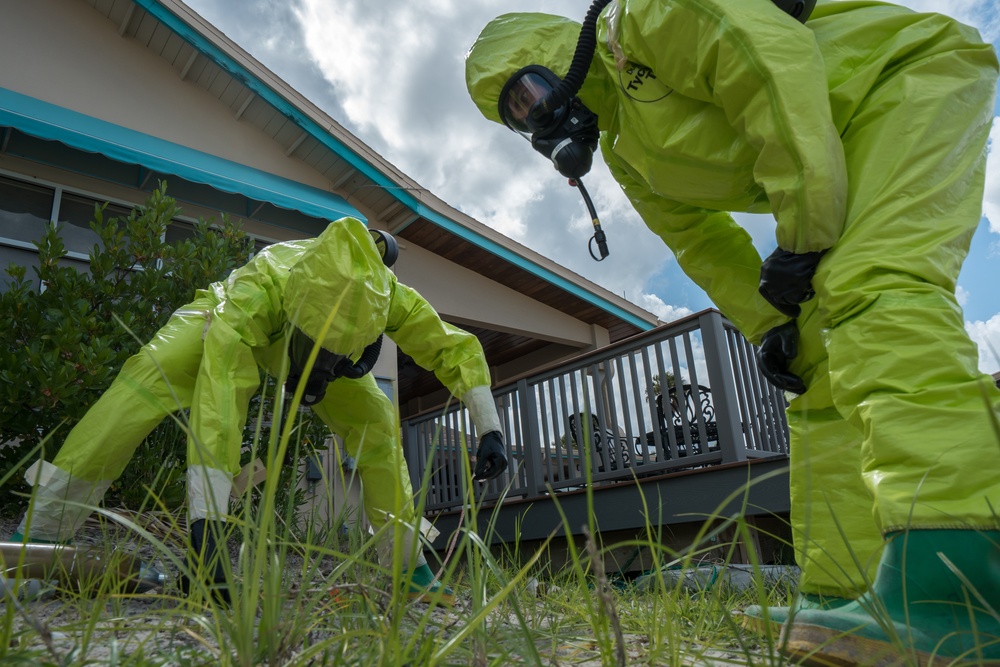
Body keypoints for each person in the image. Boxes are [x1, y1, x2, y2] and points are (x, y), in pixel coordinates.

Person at [466, 0, 999, 663]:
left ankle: (960, 583)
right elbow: (699, 241)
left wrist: (805, 229)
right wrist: (774, 325)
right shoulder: (633, 152)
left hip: (904, 81)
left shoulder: (643, 20)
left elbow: (768, 68)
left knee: (874, 288)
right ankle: (846, 590)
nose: (536, 116)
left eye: (530, 90)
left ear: (560, 55)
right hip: (837, 150)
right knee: (820, 365)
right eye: (515, 115)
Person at [11, 216, 508, 605]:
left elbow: (452, 347)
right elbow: (220, 401)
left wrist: (488, 425)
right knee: (148, 376)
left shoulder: (386, 294)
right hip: (227, 323)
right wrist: (207, 534)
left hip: (317, 360)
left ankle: (407, 570)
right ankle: (37, 541)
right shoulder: (261, 290)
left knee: (377, 423)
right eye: (320, 348)